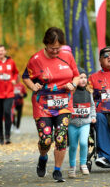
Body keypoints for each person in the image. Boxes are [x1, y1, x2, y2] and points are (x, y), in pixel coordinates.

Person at [22, 27, 79, 182]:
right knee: (46, 139)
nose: (55, 51)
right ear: (45, 44)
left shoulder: (67, 55)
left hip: (64, 103)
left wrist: (73, 85)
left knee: (61, 137)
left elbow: (76, 75)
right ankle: (43, 157)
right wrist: (33, 86)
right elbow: (26, 77)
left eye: (58, 48)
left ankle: (57, 170)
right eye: (52, 48)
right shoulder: (35, 59)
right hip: (43, 105)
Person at [68, 67, 96, 178]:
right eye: (80, 77)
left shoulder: (89, 92)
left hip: (85, 122)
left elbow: (92, 106)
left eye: (85, 77)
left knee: (84, 143)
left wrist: (93, 116)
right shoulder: (71, 93)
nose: (83, 80)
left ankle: (83, 164)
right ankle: (72, 167)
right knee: (73, 146)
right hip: (72, 123)